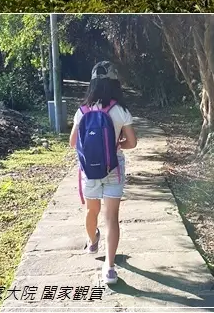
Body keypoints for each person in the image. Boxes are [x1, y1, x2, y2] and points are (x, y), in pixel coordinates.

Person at [69, 61, 137, 285]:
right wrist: (116, 145)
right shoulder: (120, 110)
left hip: (90, 169)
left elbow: (72, 143)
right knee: (112, 218)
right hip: (113, 167)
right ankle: (109, 268)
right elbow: (132, 143)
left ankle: (92, 241)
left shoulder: (82, 110)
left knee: (91, 211)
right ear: (114, 83)